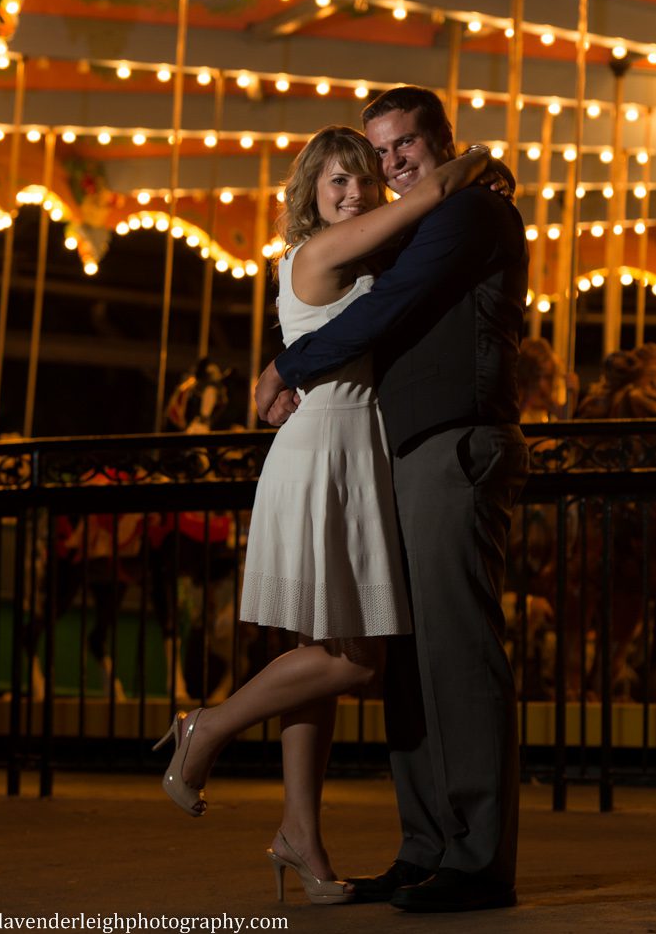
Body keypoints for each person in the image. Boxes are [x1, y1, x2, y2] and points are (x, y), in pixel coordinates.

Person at [154, 124, 492, 906]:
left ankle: (299, 835)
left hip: (343, 443)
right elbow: (437, 190)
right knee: (356, 660)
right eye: (337, 181)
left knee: (319, 659)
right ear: (309, 192)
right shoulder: (318, 253)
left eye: (363, 182)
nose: (354, 193)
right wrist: (479, 155)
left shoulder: (346, 256)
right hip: (326, 453)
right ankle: (206, 726)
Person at [256, 87, 530, 914]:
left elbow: (387, 307)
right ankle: (425, 845)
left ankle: (477, 857)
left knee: (456, 652)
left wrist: (287, 365)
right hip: (403, 454)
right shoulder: (420, 223)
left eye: (408, 142)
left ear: (443, 141)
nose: (393, 160)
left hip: (453, 442)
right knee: (409, 657)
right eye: (380, 149)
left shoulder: (466, 214)